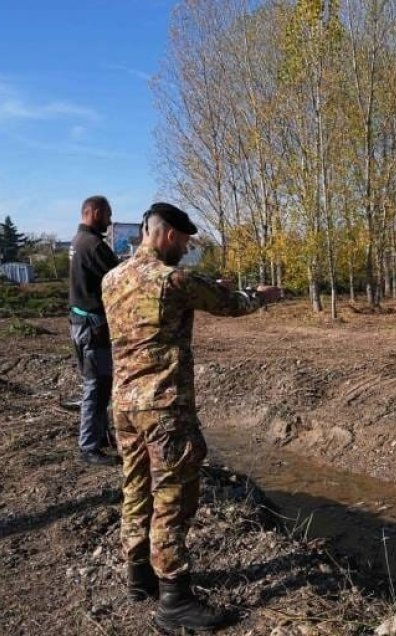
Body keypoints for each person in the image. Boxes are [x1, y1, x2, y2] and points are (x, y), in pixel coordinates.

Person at [102, 202, 280, 631]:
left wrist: (206, 286)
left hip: (124, 405)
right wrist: (262, 296)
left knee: (135, 484)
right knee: (172, 497)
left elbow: (177, 299)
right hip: (164, 408)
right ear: (165, 236)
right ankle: (175, 600)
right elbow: (230, 303)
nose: (185, 249)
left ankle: (137, 574)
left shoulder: (111, 279)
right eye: (183, 242)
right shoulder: (173, 279)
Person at [69, 195, 120, 465]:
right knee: (97, 384)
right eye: (108, 215)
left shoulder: (78, 242)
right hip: (92, 328)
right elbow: (122, 277)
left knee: (99, 383)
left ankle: (98, 437)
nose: (110, 221)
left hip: (81, 325)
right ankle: (89, 446)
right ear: (95, 212)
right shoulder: (93, 245)